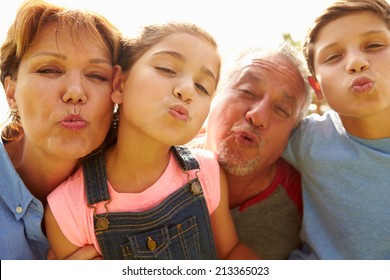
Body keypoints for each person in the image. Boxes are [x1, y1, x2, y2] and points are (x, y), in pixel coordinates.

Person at [45, 22, 259, 260]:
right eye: (167, 69)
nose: (187, 90)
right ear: (119, 84)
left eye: (202, 86)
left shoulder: (205, 172)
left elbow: (230, 253)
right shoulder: (67, 211)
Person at [0, 0, 122, 260]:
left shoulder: (135, 192)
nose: (76, 93)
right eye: (49, 70)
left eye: (97, 76)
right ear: (11, 92)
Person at [283, 0, 390, 259]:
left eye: (374, 45)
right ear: (317, 88)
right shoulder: (304, 139)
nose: (356, 62)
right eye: (333, 56)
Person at [189, 44, 311, 259]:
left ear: (292, 134)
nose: (258, 116)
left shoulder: (299, 210)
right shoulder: (160, 150)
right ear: (214, 94)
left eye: (281, 109)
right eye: (247, 92)